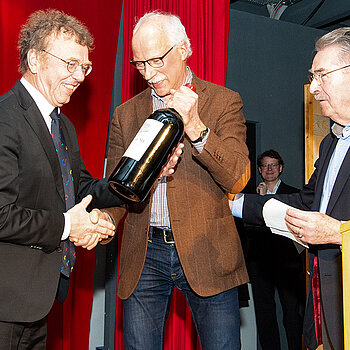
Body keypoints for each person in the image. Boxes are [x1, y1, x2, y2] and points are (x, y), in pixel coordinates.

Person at [104, 11, 250, 350]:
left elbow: (238, 178)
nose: (149, 74)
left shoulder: (223, 101)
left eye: (156, 60)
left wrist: (196, 127)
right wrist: (99, 221)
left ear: (184, 48)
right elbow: (114, 188)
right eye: (139, 64)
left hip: (207, 251)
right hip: (144, 253)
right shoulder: (125, 114)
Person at [0, 9, 127, 349]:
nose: (79, 76)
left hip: (37, 300)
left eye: (84, 66)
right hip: (5, 302)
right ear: (35, 59)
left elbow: (82, 189)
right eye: (70, 64)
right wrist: (68, 227)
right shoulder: (5, 119)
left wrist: (134, 179)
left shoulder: (62, 124)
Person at [231, 27, 350, 350]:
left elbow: (333, 227)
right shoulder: (330, 143)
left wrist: (341, 233)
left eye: (322, 75)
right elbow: (305, 203)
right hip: (323, 301)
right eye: (313, 76)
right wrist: (234, 203)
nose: (313, 88)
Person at [244, 149, 304, 350]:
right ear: (260, 170)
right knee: (264, 315)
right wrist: (259, 200)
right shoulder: (251, 197)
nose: (270, 169)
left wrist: (265, 203)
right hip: (259, 264)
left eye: (273, 165)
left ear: (281, 168)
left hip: (287, 262)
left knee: (292, 314)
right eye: (265, 165)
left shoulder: (294, 194)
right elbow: (248, 229)